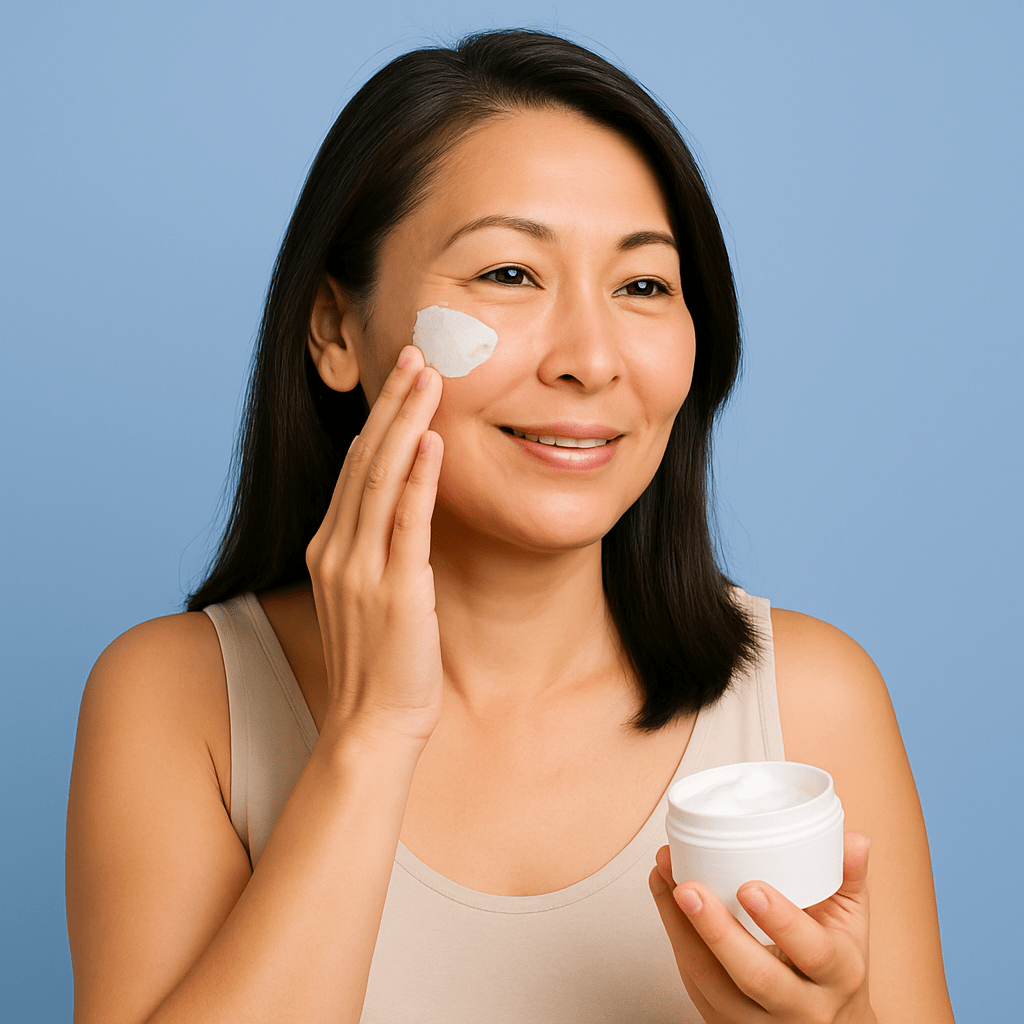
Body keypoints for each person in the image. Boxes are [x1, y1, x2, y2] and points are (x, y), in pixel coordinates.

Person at [65, 28, 956, 1024]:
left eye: (643, 286)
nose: (591, 359)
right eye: (508, 274)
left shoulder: (814, 700)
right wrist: (371, 732)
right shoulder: (177, 701)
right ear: (335, 329)